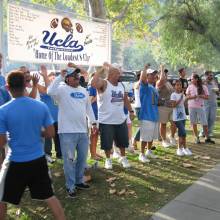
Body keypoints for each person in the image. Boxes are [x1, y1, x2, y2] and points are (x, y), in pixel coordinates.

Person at [0, 70, 65, 220]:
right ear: (25, 85)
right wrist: (37, 132)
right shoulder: (40, 106)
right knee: (50, 196)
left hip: (15, 161)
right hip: (38, 159)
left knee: (1, 197)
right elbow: (50, 133)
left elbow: (2, 142)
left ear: (7, 87)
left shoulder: (3, 111)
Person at [48, 65, 97, 198]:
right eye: (74, 77)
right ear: (68, 79)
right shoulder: (61, 90)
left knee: (82, 158)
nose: (77, 78)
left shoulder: (83, 90)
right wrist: (60, 76)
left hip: (82, 131)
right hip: (67, 132)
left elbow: (88, 108)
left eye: (78, 76)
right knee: (69, 160)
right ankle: (70, 186)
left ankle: (79, 181)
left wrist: (93, 122)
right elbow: (49, 91)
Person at [91, 62, 134, 169]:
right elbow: (93, 83)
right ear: (110, 74)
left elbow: (125, 99)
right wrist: (100, 70)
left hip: (120, 119)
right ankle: (108, 160)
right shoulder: (104, 84)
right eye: (117, 74)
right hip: (106, 120)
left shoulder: (121, 85)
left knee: (123, 142)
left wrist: (131, 111)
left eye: (119, 74)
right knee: (107, 143)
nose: (119, 76)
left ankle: (123, 158)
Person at [39, 66, 62, 162]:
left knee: (59, 137)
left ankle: (60, 154)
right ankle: (47, 154)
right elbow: (48, 90)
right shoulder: (43, 88)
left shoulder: (59, 89)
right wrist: (45, 76)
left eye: (54, 77)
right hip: (47, 119)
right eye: (50, 77)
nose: (53, 78)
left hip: (58, 118)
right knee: (48, 137)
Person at [186, 73, 215, 144]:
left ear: (196, 79)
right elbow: (187, 97)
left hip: (201, 107)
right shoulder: (189, 87)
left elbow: (207, 97)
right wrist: (194, 97)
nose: (191, 80)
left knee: (204, 123)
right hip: (191, 107)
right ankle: (196, 138)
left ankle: (207, 138)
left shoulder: (203, 87)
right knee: (193, 123)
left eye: (192, 79)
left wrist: (200, 96)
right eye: (191, 79)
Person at [138, 65, 159, 163]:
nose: (154, 76)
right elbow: (142, 79)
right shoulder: (144, 86)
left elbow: (156, 101)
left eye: (155, 74)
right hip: (146, 115)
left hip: (154, 115)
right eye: (151, 75)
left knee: (151, 136)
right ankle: (141, 154)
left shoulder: (154, 88)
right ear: (147, 76)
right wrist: (145, 69)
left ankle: (148, 151)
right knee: (145, 136)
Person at [170, 80, 192, 156]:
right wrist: (181, 98)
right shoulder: (173, 95)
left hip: (183, 116)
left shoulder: (183, 94)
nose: (179, 86)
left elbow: (185, 105)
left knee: (181, 133)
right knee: (183, 132)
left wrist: (187, 99)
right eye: (177, 85)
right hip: (176, 117)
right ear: (174, 86)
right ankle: (183, 148)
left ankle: (182, 149)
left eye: (180, 85)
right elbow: (173, 105)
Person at [156, 67, 176, 148]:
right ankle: (164, 140)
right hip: (162, 107)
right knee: (163, 124)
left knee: (174, 123)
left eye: (166, 73)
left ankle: (172, 137)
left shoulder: (168, 82)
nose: (165, 74)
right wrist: (162, 68)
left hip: (171, 106)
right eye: (163, 73)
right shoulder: (159, 82)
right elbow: (162, 79)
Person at [87, 73, 102, 160]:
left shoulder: (97, 87)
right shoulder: (91, 87)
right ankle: (92, 154)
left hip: (98, 113)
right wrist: (98, 96)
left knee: (96, 134)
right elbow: (89, 102)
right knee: (93, 134)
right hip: (93, 113)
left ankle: (94, 152)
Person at [200, 71, 219, 137]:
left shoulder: (214, 82)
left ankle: (210, 132)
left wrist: (217, 91)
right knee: (205, 118)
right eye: (210, 75)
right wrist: (204, 82)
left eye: (212, 75)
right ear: (206, 76)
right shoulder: (203, 83)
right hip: (205, 103)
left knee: (212, 118)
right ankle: (202, 132)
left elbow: (218, 93)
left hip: (213, 103)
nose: (211, 77)